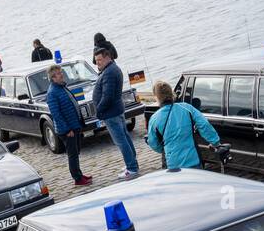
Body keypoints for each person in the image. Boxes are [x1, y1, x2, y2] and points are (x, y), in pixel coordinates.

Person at [145, 80, 221, 169]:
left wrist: (164, 149)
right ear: (171, 93)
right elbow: (204, 125)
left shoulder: (154, 118)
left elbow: (153, 143)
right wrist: (215, 142)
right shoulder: (186, 108)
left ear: (157, 97)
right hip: (193, 159)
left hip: (172, 165)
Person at [92, 46, 138, 179]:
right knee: (125, 137)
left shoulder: (109, 73)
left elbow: (108, 96)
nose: (97, 63)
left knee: (121, 141)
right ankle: (132, 162)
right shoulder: (111, 69)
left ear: (107, 57)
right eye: (96, 61)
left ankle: (132, 168)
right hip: (116, 110)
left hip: (111, 113)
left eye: (99, 60)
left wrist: (99, 111)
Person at [45, 64, 91, 186]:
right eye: (59, 73)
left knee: (76, 152)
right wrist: (67, 129)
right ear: (53, 78)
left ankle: (79, 174)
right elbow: (56, 114)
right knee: (72, 154)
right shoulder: (52, 93)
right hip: (67, 129)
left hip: (74, 125)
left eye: (61, 72)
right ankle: (77, 178)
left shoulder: (62, 87)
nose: (62, 75)